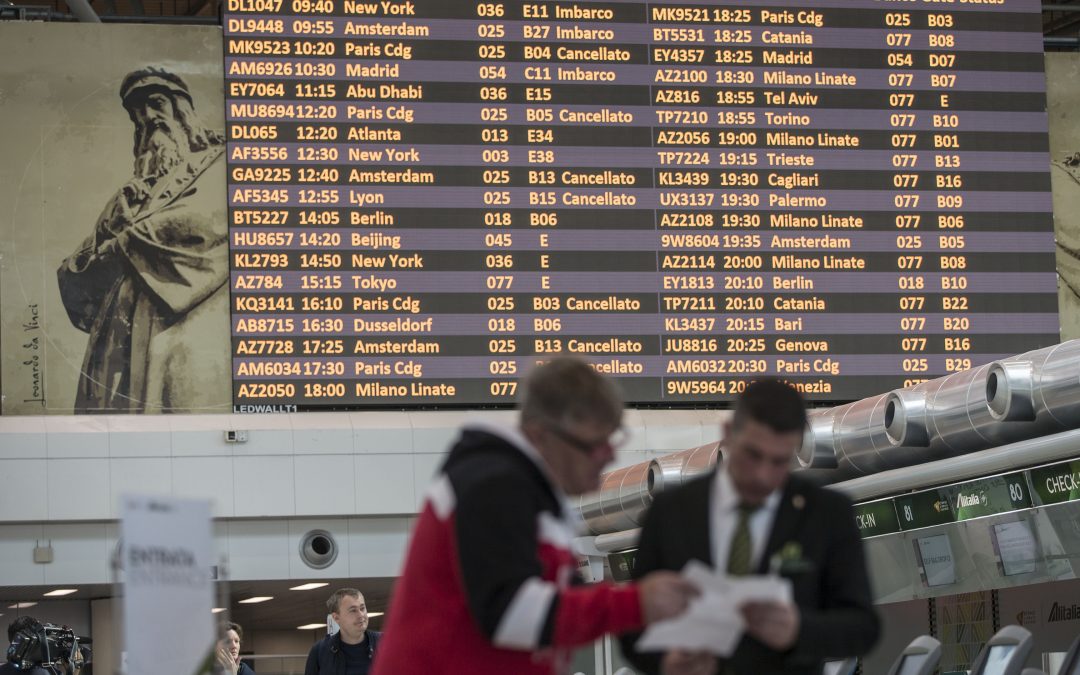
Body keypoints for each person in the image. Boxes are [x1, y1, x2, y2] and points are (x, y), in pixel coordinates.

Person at [372, 357, 697, 675]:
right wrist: (634, 603)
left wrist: (661, 649)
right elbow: (511, 613)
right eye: (594, 444)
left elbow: (568, 598)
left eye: (612, 440)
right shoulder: (493, 484)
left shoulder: (536, 499)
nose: (608, 455)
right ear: (542, 435)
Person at [620, 378, 880, 675]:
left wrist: (798, 629)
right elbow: (632, 623)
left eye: (779, 461)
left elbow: (864, 628)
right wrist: (665, 663)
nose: (763, 476)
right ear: (729, 434)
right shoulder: (671, 511)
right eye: (752, 455)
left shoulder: (825, 513)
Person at [56, 66, 229, 413]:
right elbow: (74, 274)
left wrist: (119, 243)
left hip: (176, 330)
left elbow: (198, 226)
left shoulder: (219, 162)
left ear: (181, 109)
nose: (148, 117)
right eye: (138, 113)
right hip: (115, 338)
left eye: (155, 103)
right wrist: (113, 221)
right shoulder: (132, 193)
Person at [304, 588, 382, 675]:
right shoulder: (320, 651)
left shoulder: (385, 643)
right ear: (336, 618)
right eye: (353, 610)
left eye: (362, 608)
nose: (361, 615)